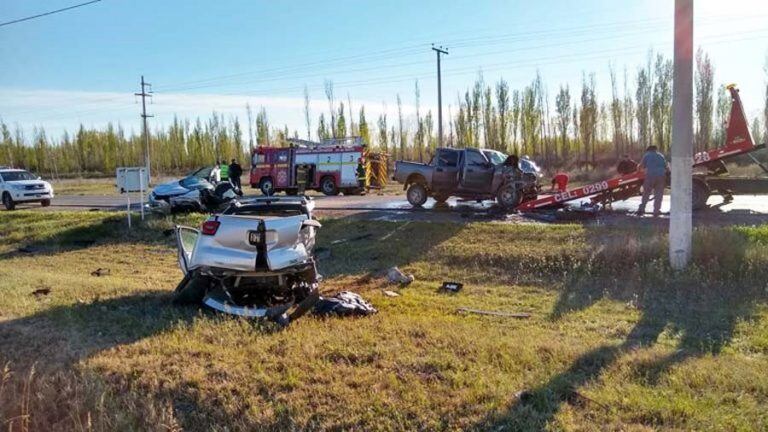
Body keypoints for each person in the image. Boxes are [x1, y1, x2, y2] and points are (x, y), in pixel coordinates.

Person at [637, 145, 668, 216]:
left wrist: (638, 172)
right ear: (655, 150)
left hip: (650, 176)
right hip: (661, 176)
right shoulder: (661, 156)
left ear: (649, 150)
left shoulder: (647, 155)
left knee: (646, 193)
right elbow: (666, 167)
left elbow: (640, 166)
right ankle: (656, 211)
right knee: (658, 194)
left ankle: (641, 209)